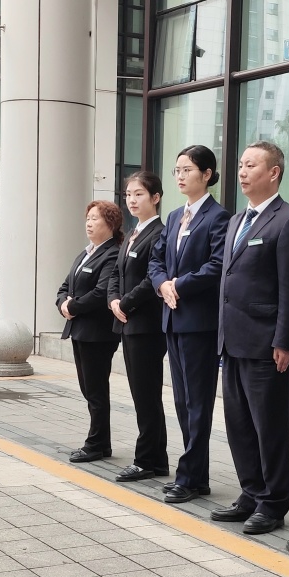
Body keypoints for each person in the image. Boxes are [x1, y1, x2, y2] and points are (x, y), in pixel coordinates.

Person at [209, 142, 289, 535]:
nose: (242, 172)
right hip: (232, 342)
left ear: (274, 172)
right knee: (239, 425)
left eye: (251, 165)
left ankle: (273, 503)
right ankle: (250, 493)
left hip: (266, 344)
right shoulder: (237, 220)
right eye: (241, 165)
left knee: (270, 429)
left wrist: (285, 340)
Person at [148, 145, 230, 505]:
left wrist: (178, 285)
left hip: (199, 323)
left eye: (187, 170)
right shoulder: (173, 216)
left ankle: (189, 476)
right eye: (177, 170)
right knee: (182, 402)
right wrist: (162, 284)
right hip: (173, 319)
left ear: (207, 174)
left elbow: (217, 265)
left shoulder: (218, 217)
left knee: (198, 403)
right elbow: (156, 260)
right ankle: (198, 477)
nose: (180, 176)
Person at [107, 172, 169, 482]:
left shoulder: (159, 233)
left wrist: (126, 304)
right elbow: (116, 273)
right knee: (143, 394)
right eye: (128, 194)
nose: (131, 200)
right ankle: (157, 460)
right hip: (128, 323)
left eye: (139, 194)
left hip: (147, 326)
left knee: (146, 394)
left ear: (155, 197)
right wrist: (113, 301)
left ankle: (145, 460)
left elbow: (151, 279)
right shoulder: (133, 233)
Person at [57, 201, 123, 462]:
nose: (89, 223)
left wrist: (72, 306)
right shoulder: (85, 253)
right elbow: (65, 286)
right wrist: (62, 303)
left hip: (98, 333)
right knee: (89, 389)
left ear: (111, 223)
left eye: (95, 218)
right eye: (88, 218)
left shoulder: (112, 254)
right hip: (79, 330)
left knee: (95, 390)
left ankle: (95, 444)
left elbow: (100, 292)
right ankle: (101, 443)